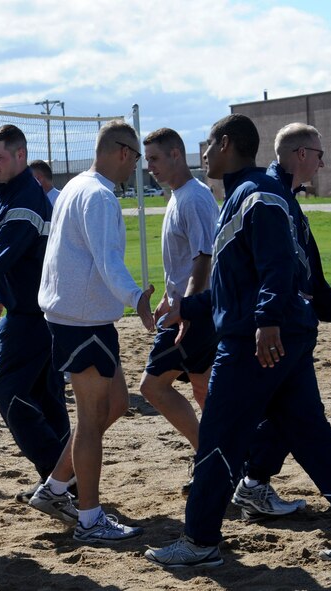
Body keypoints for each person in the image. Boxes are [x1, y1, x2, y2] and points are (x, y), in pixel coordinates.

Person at [145, 114, 331, 568]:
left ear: (226, 144)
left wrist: (266, 322)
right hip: (279, 336)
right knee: (311, 436)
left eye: (208, 145)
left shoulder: (257, 193)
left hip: (257, 342)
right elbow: (238, 282)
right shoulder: (255, 193)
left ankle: (199, 542)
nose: (203, 155)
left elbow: (280, 266)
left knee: (219, 436)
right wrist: (191, 307)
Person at [38, 120, 154, 543]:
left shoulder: (75, 186)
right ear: (124, 152)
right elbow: (108, 261)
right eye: (138, 158)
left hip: (80, 318)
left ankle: (53, 488)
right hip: (82, 320)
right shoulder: (99, 195)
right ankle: (89, 519)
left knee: (117, 404)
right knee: (89, 421)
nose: (136, 167)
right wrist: (137, 297)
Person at [234, 123, 331, 520]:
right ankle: (232, 488)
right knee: (293, 418)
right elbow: (275, 268)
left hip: (287, 324)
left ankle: (251, 483)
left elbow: (309, 270)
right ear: (301, 154)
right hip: (275, 327)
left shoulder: (287, 196)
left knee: (289, 413)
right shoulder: (272, 196)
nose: (323, 162)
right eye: (319, 154)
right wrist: (269, 319)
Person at [0, 125, 70, 509]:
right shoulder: (13, 195)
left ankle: (59, 476)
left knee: (6, 390)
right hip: (34, 311)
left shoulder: (23, 197)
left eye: (0, 158)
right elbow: (21, 256)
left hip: (34, 317)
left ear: (21, 155)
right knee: (45, 396)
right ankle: (61, 483)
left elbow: (4, 255)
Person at [137, 128, 218, 496]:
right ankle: (221, 459)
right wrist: (172, 297)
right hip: (187, 306)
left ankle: (211, 457)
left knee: (152, 387)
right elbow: (187, 261)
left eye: (153, 158)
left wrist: (185, 307)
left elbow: (205, 257)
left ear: (174, 155)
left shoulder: (194, 198)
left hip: (195, 312)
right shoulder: (178, 196)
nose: (148, 166)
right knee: (203, 387)